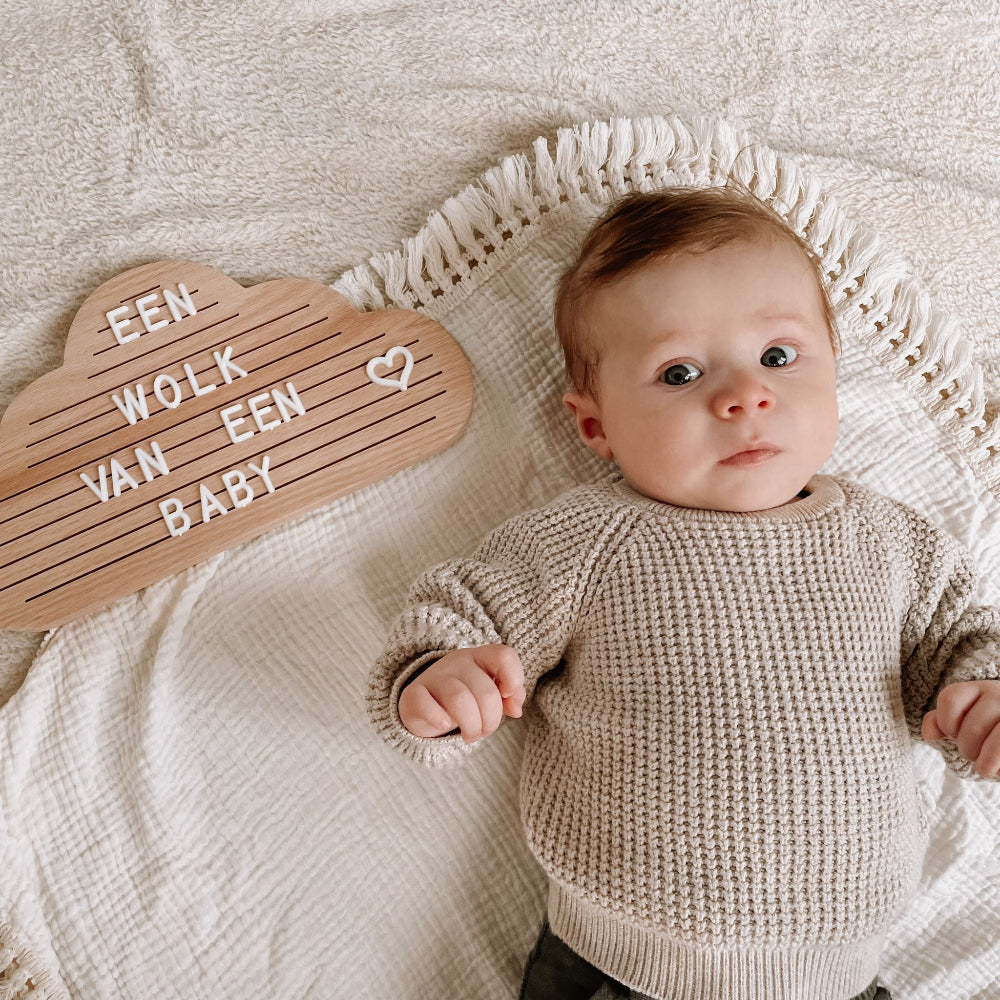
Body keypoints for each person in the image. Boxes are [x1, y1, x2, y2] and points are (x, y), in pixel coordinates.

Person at [368, 186, 1000, 1000]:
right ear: (595, 426)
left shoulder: (892, 541)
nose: (742, 395)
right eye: (679, 372)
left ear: (835, 373)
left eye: (778, 356)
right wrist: (437, 675)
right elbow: (467, 611)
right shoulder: (588, 539)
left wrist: (980, 701)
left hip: (837, 976)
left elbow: (959, 645)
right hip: (620, 966)